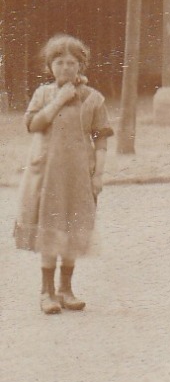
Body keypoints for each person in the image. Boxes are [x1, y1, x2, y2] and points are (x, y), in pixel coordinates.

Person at [13, 35, 112, 315]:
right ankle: (47, 291)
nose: (66, 68)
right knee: (50, 227)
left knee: (72, 227)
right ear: (50, 65)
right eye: (59, 62)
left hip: (78, 174)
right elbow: (34, 124)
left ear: (81, 65)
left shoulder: (93, 98)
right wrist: (59, 100)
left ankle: (67, 289)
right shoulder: (43, 94)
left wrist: (98, 175)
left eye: (72, 62)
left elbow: (101, 138)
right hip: (47, 173)